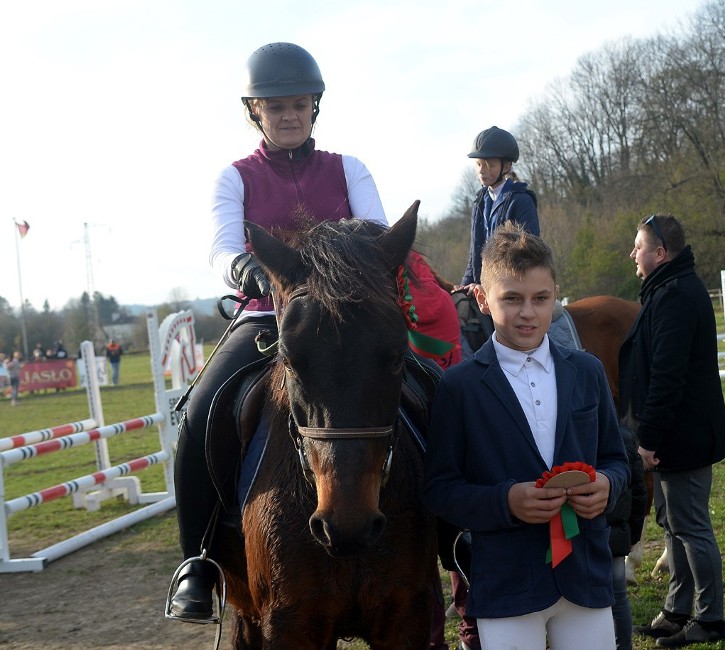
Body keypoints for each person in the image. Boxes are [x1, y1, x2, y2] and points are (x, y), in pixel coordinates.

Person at [167, 42, 390, 623]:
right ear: (254, 111)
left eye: (298, 104)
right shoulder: (235, 177)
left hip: (345, 318)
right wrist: (241, 267)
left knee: (431, 391)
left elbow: (374, 231)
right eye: (275, 106)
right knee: (200, 414)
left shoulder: (349, 168)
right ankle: (196, 564)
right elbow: (222, 242)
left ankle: (453, 534)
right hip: (266, 316)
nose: (288, 114)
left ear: (314, 107)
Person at [423, 222, 628, 650]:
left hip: (585, 574)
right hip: (507, 581)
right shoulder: (458, 387)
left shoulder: (587, 370)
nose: (528, 313)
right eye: (511, 299)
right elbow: (439, 490)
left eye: (541, 299)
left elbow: (617, 459)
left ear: (556, 293)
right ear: (481, 298)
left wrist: (608, 484)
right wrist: (506, 501)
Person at [618, 214, 725, 647]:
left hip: (681, 437)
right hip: (675, 435)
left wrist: (648, 440)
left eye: (638, 246)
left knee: (691, 527)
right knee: (673, 525)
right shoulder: (667, 289)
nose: (633, 253)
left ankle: (710, 618)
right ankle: (677, 610)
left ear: (660, 253)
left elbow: (667, 377)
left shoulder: (677, 296)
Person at [458, 126, 539, 294]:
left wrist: (491, 285)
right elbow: (475, 253)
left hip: (514, 285)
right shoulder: (480, 202)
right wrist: (465, 284)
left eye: (490, 165)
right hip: (484, 286)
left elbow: (525, 253)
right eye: (479, 164)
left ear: (506, 167)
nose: (481, 170)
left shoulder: (521, 200)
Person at [607, 424, 646, 650]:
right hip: (618, 536)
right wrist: (634, 533)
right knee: (618, 596)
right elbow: (639, 493)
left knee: (616, 596)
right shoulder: (623, 436)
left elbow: (638, 491)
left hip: (607, 535)